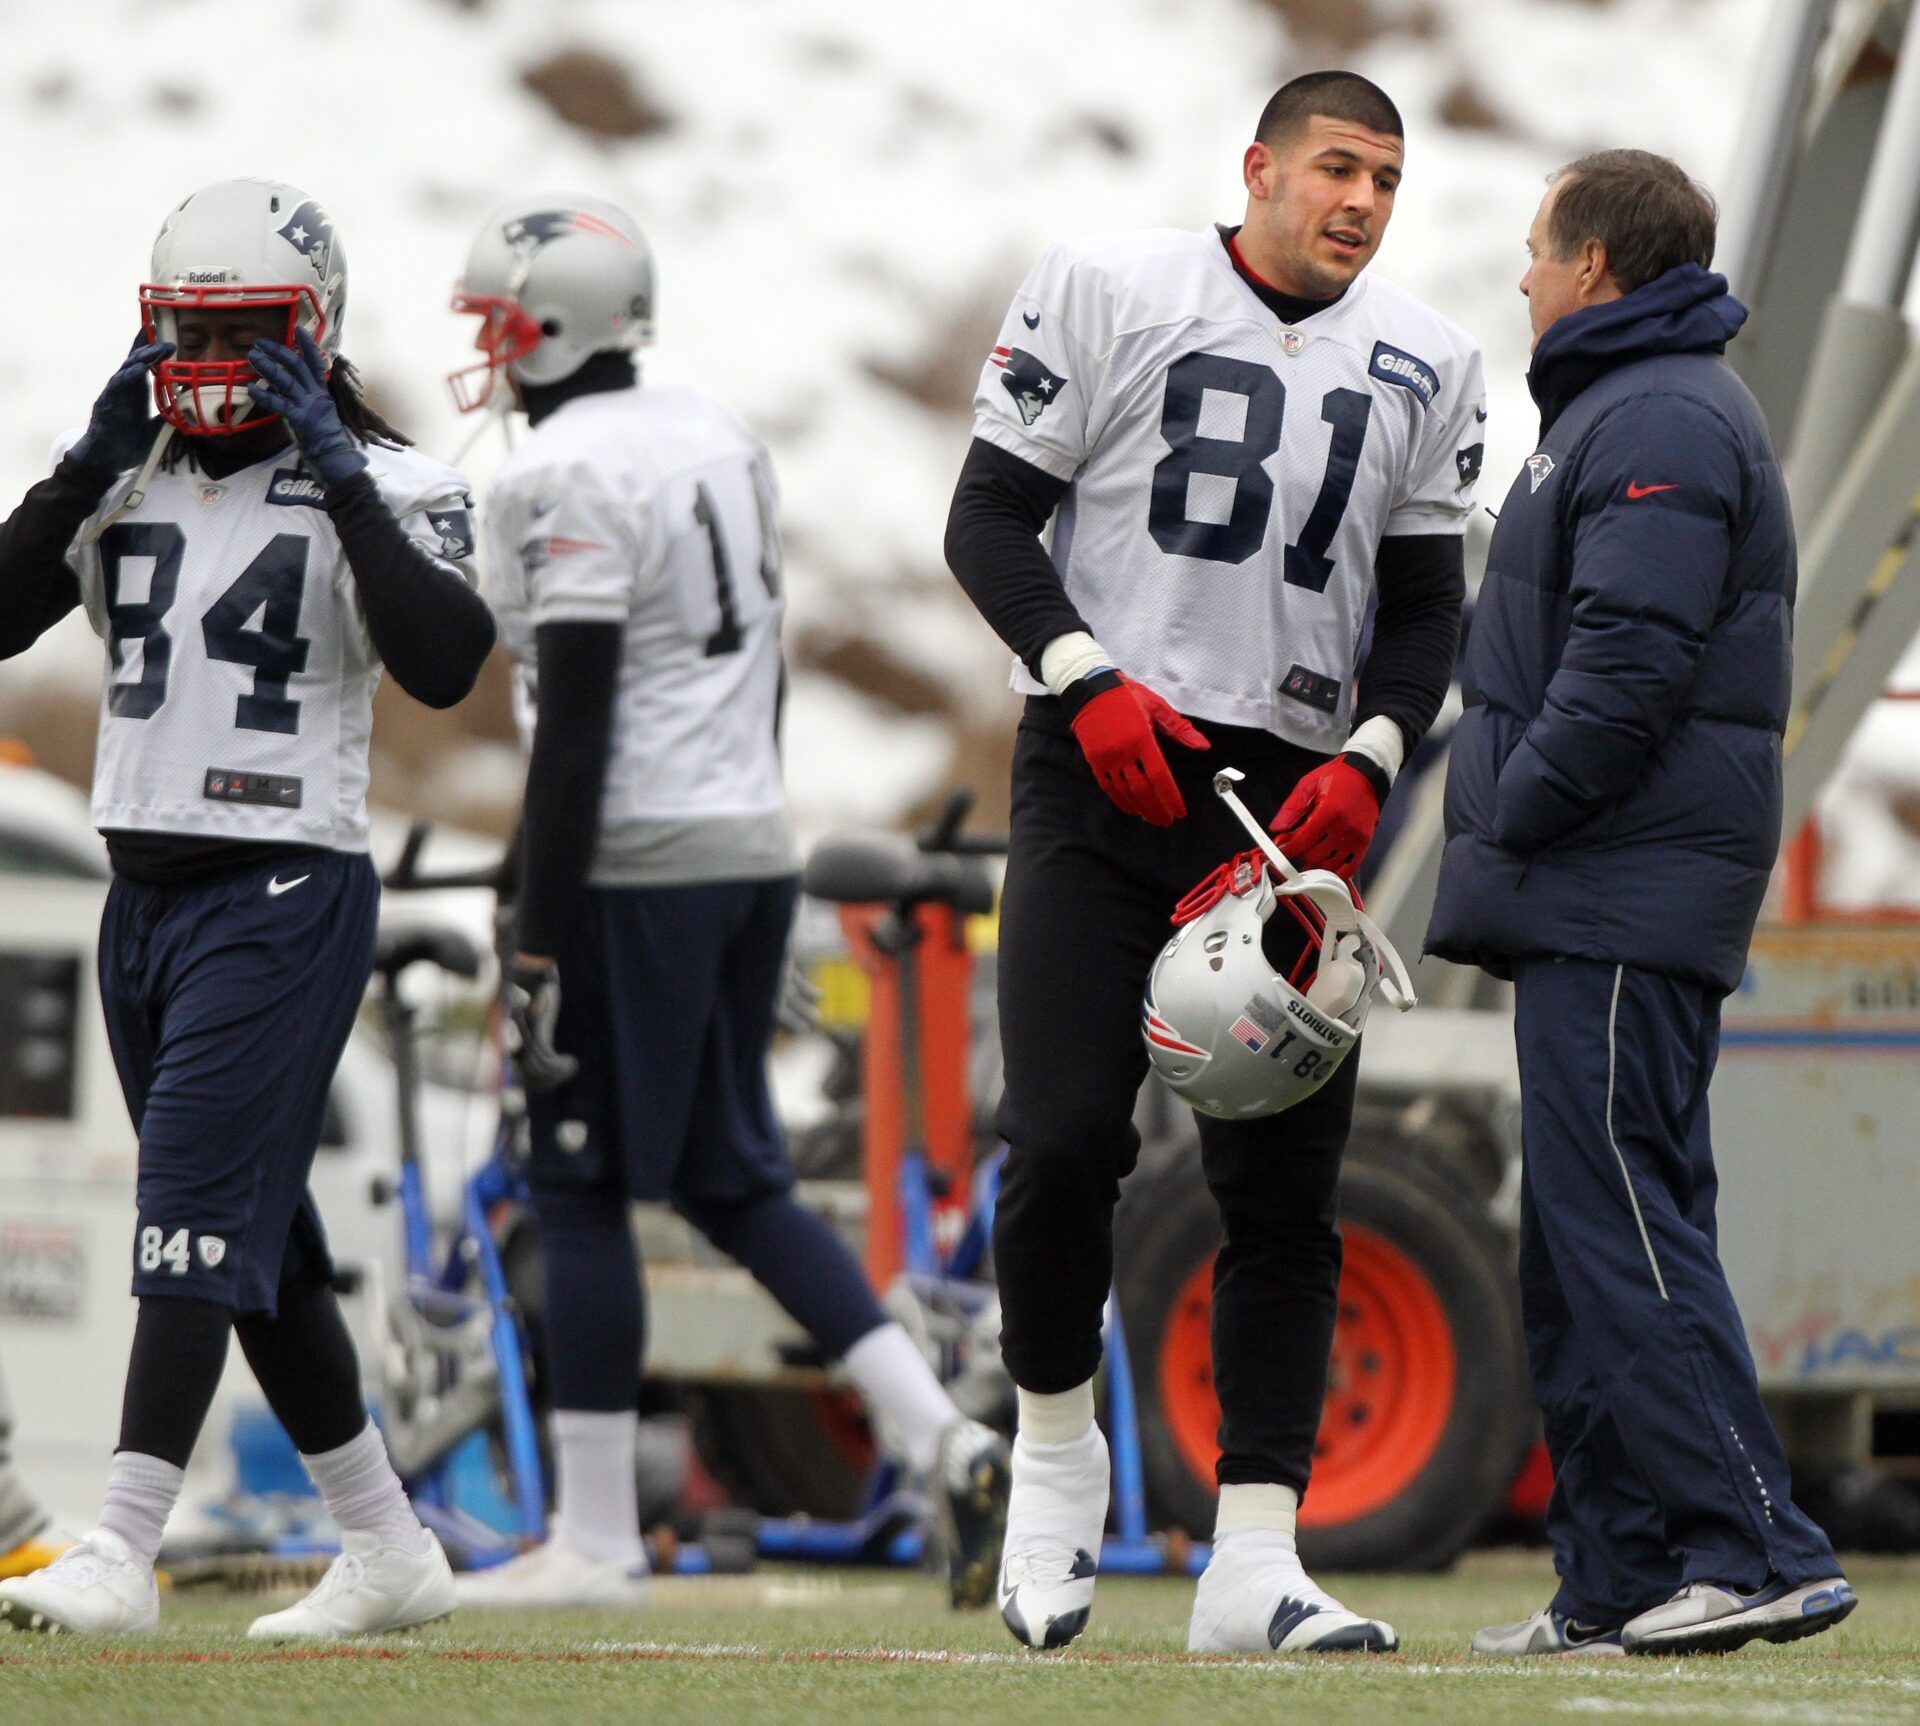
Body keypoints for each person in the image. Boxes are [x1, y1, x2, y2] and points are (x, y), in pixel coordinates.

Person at [945, 72, 1484, 1652]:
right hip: (1105, 771)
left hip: (1289, 806)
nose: (1363, 201)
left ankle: (1256, 1552)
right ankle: (1054, 1459)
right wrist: (1081, 673)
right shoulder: (1112, 289)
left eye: (1388, 178)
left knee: (1284, 1192)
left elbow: (1428, 609)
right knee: (1057, 1138)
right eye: (1337, 166)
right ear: (1257, 167)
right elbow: (988, 523)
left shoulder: (1431, 360)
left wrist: (1373, 762)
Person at [445, 194, 1011, 1611]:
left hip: (633, 857)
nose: (487, 347)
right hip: (748, 840)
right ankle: (935, 1429)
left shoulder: (561, 470)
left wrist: (537, 910)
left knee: (574, 1182)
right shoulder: (714, 432)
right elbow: (754, 670)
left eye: (498, 319)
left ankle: (593, 1535)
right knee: (730, 1175)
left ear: (553, 323)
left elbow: (571, 722)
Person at [0, 179, 495, 1639]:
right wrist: (83, 462)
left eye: (245, 327)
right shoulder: (127, 468)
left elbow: (449, 657)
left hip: (280, 882)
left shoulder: (391, 483)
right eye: (189, 327)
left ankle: (123, 1545)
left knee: (189, 1215)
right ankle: (389, 1546)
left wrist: (341, 467)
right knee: (253, 1243)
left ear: (314, 330)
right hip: (139, 893)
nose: (212, 356)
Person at [1427, 149, 1856, 1658]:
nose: (1524, 273)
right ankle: (1610, 1572)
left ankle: (1753, 1541)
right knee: (1577, 1236)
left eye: (1538, 248)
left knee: (1623, 1226)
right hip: (1600, 896)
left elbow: (1626, 667)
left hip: (1616, 891)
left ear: (1598, 264)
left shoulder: (1663, 411)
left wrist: (1509, 810)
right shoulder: (1627, 404)